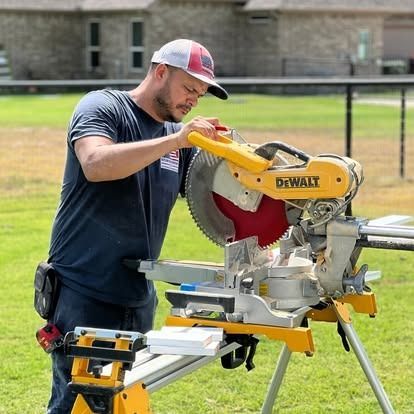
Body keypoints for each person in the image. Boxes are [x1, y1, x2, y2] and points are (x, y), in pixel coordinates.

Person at [45, 38, 228, 413]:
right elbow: (95, 163)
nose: (194, 99)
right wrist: (176, 140)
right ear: (161, 72)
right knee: (76, 404)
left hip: (137, 294)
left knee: (122, 403)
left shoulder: (178, 140)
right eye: (189, 88)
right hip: (85, 291)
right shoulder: (104, 107)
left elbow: (215, 205)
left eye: (201, 94)